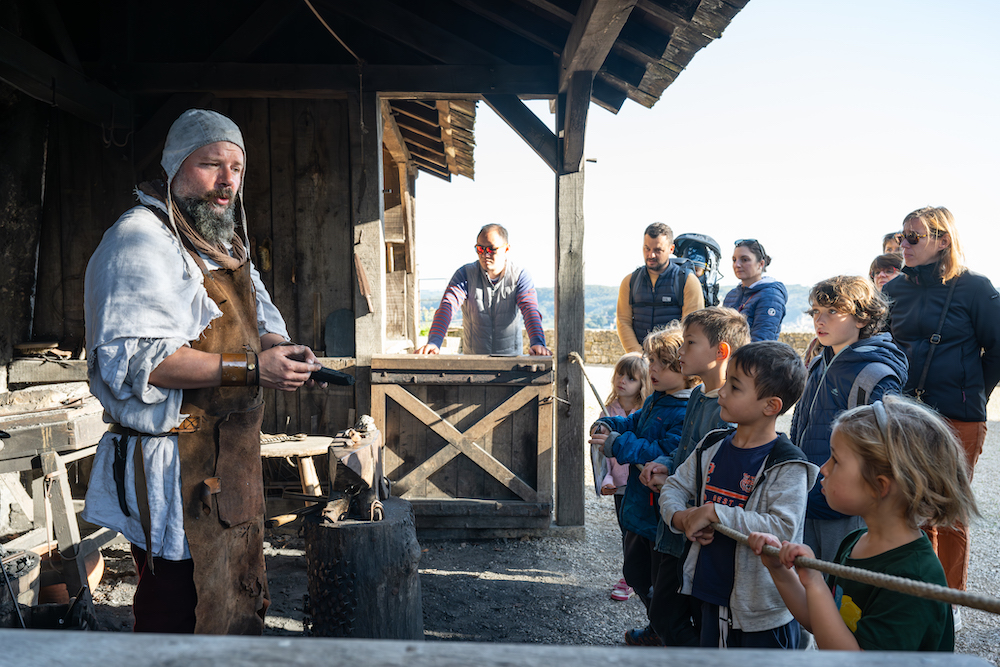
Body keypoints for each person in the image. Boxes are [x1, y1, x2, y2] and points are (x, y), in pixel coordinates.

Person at [82, 109, 323, 634]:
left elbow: (261, 319)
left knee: (237, 595)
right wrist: (255, 369)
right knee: (178, 606)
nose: (227, 182)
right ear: (175, 167)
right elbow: (147, 362)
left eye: (236, 168)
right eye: (211, 164)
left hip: (228, 457)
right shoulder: (140, 241)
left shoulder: (222, 245)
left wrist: (284, 351)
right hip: (173, 462)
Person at [749, 396, 979, 651]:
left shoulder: (914, 577)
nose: (823, 468)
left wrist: (815, 582)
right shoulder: (855, 540)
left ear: (879, 486)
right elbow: (823, 621)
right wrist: (780, 572)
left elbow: (855, 660)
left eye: (836, 460)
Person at [659, 341, 816, 649]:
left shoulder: (788, 465)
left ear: (771, 406)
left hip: (763, 614)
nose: (723, 392)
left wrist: (714, 513)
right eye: (726, 381)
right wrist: (681, 518)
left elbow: (783, 529)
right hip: (710, 596)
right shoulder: (712, 445)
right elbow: (674, 487)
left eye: (735, 386)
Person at [882, 206, 1000, 603]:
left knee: (947, 508)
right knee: (909, 501)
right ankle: (919, 593)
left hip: (957, 413)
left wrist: (973, 392)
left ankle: (951, 600)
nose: (904, 245)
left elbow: (998, 347)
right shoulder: (895, 289)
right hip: (905, 411)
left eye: (913, 237)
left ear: (943, 240)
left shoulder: (976, 288)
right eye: (902, 237)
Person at [639, 306, 751, 646]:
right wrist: (665, 464)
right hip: (676, 523)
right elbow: (688, 454)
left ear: (720, 353)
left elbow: (722, 474)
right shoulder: (700, 395)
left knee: (690, 616)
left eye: (689, 344)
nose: (681, 352)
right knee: (664, 611)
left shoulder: (730, 410)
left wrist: (678, 491)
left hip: (701, 532)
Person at [589, 323, 693, 646]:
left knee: (660, 585)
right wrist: (609, 422)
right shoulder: (655, 399)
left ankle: (665, 633)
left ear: (684, 367)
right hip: (638, 510)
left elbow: (661, 453)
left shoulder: (686, 409)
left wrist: (616, 444)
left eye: (661, 363)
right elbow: (633, 422)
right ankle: (658, 627)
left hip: (658, 518)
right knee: (635, 574)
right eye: (651, 361)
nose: (653, 369)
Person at [790, 276, 907, 561]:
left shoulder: (875, 373)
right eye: (816, 311)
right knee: (806, 580)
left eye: (832, 311)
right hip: (808, 496)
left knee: (842, 587)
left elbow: (884, 448)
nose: (820, 319)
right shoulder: (818, 362)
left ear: (862, 317)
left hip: (848, 502)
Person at [415, 224, 550, 356]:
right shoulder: (465, 274)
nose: (485, 254)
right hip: (474, 362)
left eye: (491, 249)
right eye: (480, 249)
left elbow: (530, 309)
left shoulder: (520, 276)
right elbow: (447, 307)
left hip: (510, 362)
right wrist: (434, 342)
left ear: (506, 249)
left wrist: (537, 343)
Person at [600, 353, 649, 602]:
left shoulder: (646, 411)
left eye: (631, 378)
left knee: (639, 531)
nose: (623, 381)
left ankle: (639, 575)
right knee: (625, 531)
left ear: (642, 384)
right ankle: (629, 577)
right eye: (620, 374)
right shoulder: (608, 410)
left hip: (641, 483)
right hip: (618, 484)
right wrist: (605, 478)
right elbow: (601, 454)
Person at [616, 223, 705, 354]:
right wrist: (638, 355)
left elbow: (690, 326)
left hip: (673, 360)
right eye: (647, 248)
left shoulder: (687, 281)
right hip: (639, 361)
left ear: (671, 249)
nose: (651, 255)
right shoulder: (629, 281)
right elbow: (623, 321)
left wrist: (664, 358)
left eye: (658, 250)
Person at [722, 239, 787, 342]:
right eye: (734, 260)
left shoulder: (771, 296)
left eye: (744, 260)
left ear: (761, 264)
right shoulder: (732, 295)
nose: (737, 265)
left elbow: (762, 341)